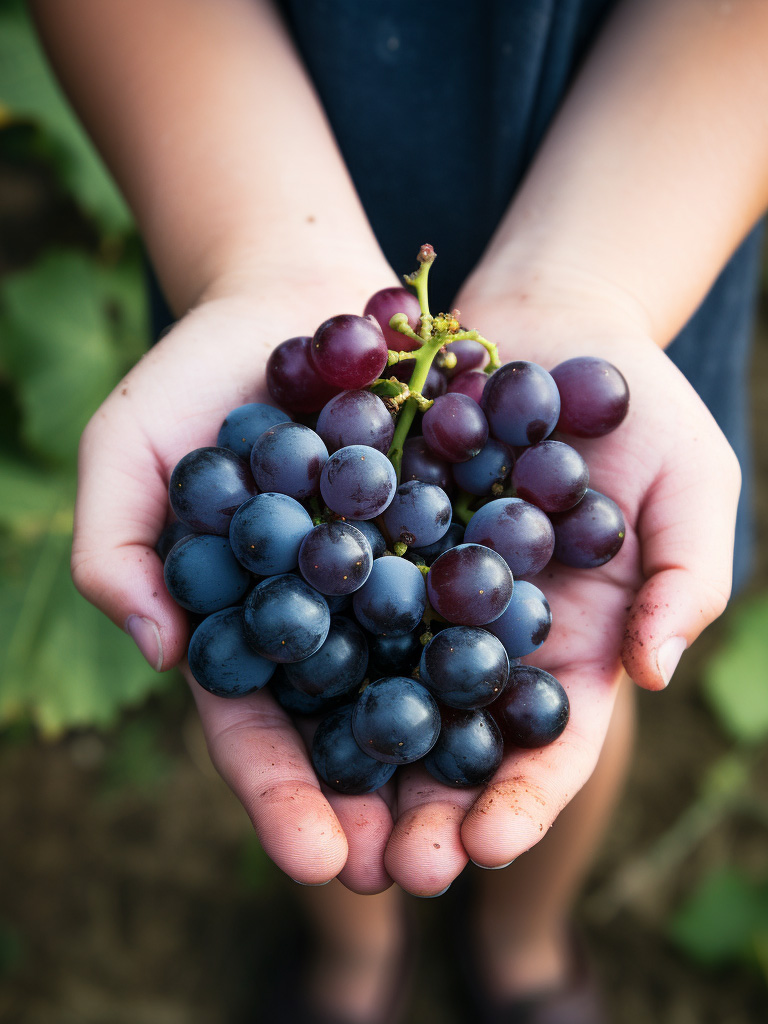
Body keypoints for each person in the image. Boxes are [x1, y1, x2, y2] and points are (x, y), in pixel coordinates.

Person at [30, 1, 768, 1020]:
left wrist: (596, 282)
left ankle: (523, 941)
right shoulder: (324, 453)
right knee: (316, 752)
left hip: (651, 221)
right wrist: (252, 256)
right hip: (241, 189)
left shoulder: (498, 484)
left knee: (578, 665)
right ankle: (354, 950)